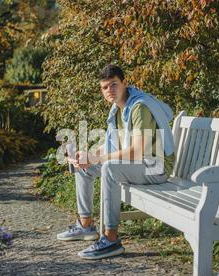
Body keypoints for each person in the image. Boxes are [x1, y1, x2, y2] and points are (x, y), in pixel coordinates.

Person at [57, 64, 176, 259]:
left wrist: (98, 158)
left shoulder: (139, 107)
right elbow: (113, 145)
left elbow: (136, 151)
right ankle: (86, 225)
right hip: (139, 166)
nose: (109, 91)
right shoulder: (119, 109)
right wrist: (89, 156)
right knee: (84, 167)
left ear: (124, 83)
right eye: (105, 87)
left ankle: (111, 240)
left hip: (156, 167)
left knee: (110, 168)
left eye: (113, 85)